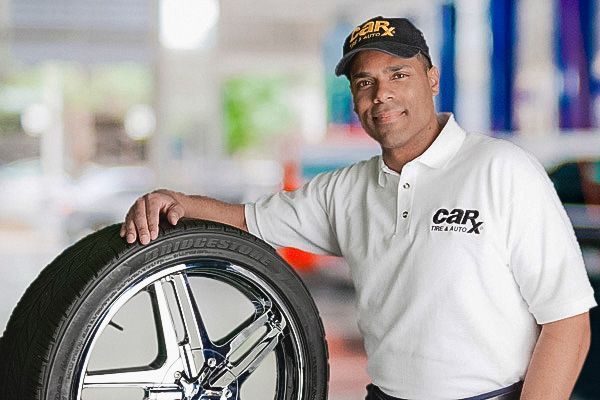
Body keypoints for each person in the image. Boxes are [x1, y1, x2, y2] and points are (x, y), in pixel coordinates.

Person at [121, 16, 596, 400]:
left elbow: (568, 320)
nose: (381, 95)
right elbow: (250, 220)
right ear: (354, 100)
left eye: (398, 75)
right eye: (364, 82)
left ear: (431, 79)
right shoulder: (345, 191)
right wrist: (177, 201)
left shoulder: (502, 169)